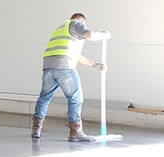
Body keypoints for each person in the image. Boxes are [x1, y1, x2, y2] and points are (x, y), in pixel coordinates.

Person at [31, 13, 109, 142]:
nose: (84, 26)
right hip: (64, 67)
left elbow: (76, 56)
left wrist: (95, 64)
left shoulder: (60, 30)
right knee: (75, 99)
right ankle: (76, 132)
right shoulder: (75, 24)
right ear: (80, 20)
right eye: (84, 23)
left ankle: (36, 130)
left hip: (49, 67)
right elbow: (89, 35)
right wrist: (103, 35)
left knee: (44, 98)